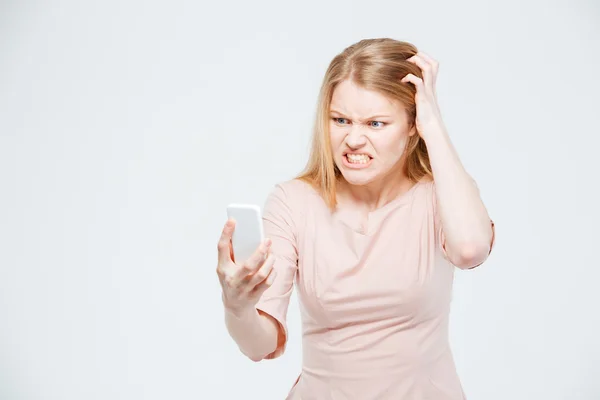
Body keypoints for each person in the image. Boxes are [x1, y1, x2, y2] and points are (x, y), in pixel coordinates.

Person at [216, 38, 496, 399]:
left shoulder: (441, 194)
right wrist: (236, 306)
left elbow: (471, 249)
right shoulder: (294, 201)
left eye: (376, 123)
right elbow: (259, 345)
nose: (353, 139)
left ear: (412, 126)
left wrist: (434, 125)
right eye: (340, 120)